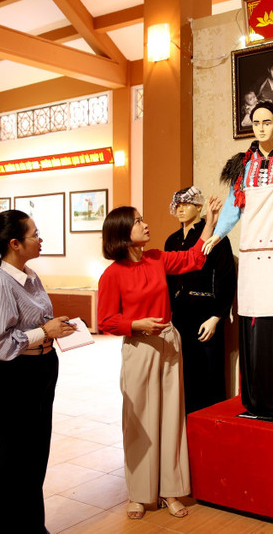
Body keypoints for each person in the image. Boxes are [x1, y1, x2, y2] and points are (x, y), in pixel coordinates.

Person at [97, 199, 222, 520]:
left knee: (171, 418)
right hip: (139, 347)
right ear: (123, 235)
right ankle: (139, 494)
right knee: (139, 421)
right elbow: (106, 320)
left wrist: (210, 221)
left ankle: (171, 490)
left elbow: (194, 258)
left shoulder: (156, 258)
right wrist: (136, 324)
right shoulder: (112, 275)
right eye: (138, 222)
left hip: (169, 342)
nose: (145, 225)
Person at [203, 100, 273, 427]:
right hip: (252, 258)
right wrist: (218, 234)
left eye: (267, 122)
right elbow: (233, 209)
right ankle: (254, 398)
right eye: (256, 123)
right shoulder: (243, 167)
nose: (261, 127)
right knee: (252, 327)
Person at [0, 210, 76, 533]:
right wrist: (43, 332)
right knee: (15, 464)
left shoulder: (30, 276)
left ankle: (33, 527)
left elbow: (37, 322)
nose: (40, 238)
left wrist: (54, 329)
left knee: (35, 459)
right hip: (16, 377)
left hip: (42, 370)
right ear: (15, 243)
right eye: (35, 234)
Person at [164, 186, 236, 415]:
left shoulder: (217, 238)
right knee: (184, 372)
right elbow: (167, 281)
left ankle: (211, 424)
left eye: (187, 204)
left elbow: (226, 278)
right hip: (180, 316)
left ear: (198, 206)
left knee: (210, 371)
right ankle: (185, 424)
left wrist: (217, 316)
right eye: (178, 204)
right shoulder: (172, 240)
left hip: (207, 315)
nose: (181, 209)